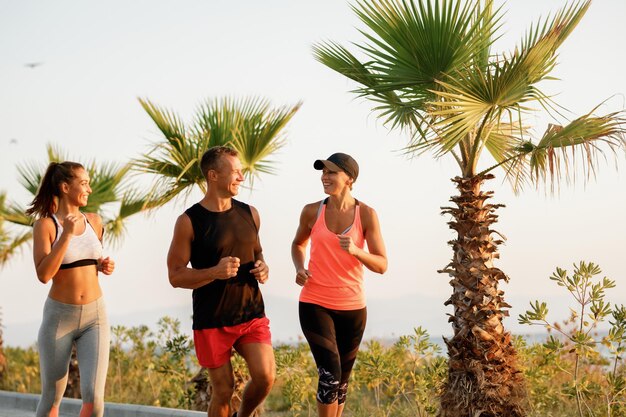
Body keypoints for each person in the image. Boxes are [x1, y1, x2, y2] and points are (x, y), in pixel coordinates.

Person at [167, 146, 275, 417]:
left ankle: (243, 416)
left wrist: (263, 266)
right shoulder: (189, 221)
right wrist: (213, 272)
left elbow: (257, 251)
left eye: (242, 171)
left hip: (250, 313)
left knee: (265, 377)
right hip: (212, 319)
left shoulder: (250, 213)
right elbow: (175, 275)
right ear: (213, 175)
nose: (241, 177)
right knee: (224, 390)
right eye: (235, 172)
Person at [291, 152, 387, 417]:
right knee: (330, 372)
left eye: (332, 172)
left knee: (342, 380)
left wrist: (357, 251)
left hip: (353, 307)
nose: (325, 177)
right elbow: (298, 244)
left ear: (350, 179)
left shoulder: (366, 214)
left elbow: (381, 264)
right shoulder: (312, 211)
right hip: (314, 302)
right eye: (323, 172)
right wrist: (300, 267)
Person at [27, 161, 115, 417]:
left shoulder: (95, 221)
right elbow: (44, 274)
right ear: (65, 187)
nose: (89, 188)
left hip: (95, 316)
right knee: (51, 399)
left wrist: (103, 265)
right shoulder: (46, 226)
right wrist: (66, 234)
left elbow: (88, 260)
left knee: (94, 398)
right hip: (59, 317)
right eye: (84, 183)